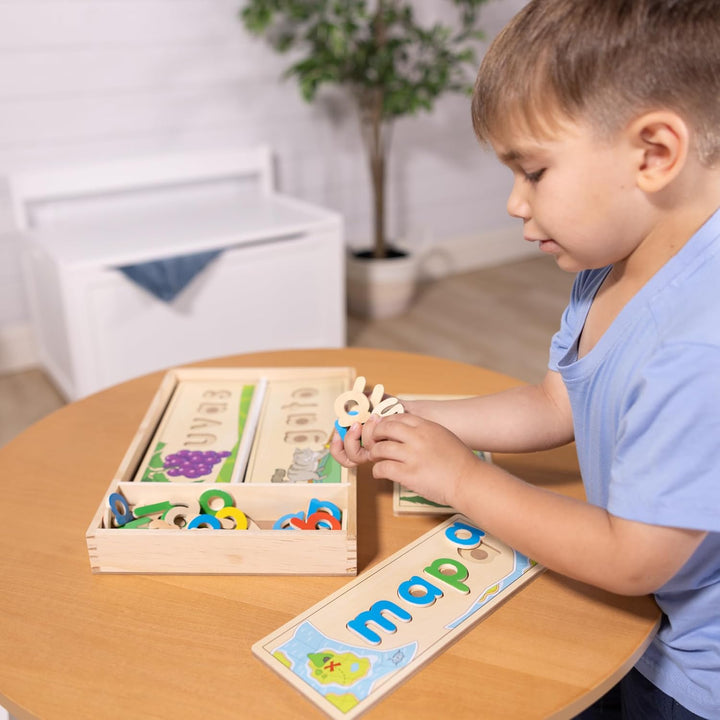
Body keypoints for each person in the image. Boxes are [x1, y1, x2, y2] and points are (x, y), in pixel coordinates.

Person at [330, 1, 720, 718]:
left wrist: (460, 479)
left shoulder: (702, 348)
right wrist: (412, 419)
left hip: (690, 677)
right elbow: (554, 403)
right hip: (637, 616)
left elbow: (631, 559)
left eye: (533, 171)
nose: (514, 203)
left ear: (654, 153)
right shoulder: (613, 261)